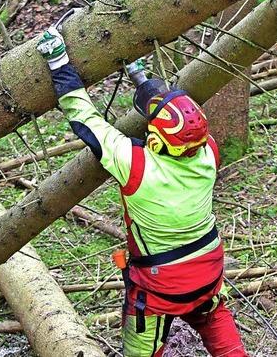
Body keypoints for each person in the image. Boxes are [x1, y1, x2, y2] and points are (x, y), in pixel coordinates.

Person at [37, 19, 248, 357]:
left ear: (155, 139)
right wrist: (141, 78)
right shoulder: (208, 151)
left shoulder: (135, 164)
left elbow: (85, 120)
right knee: (213, 317)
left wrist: (59, 63)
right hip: (209, 270)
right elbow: (175, 116)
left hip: (159, 286)